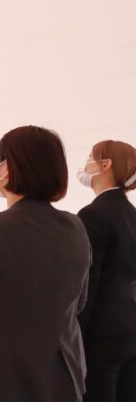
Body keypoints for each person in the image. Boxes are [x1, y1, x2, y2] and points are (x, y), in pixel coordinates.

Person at [0, 125, 91, 402]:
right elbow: (79, 302)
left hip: (1, 379)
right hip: (62, 373)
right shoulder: (76, 227)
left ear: (8, 168)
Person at [76, 140, 136, 402]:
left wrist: (75, 337)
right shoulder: (132, 214)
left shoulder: (93, 215)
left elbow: (88, 284)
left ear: (105, 164)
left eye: (90, 157)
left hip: (99, 335)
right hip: (129, 328)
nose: (85, 163)